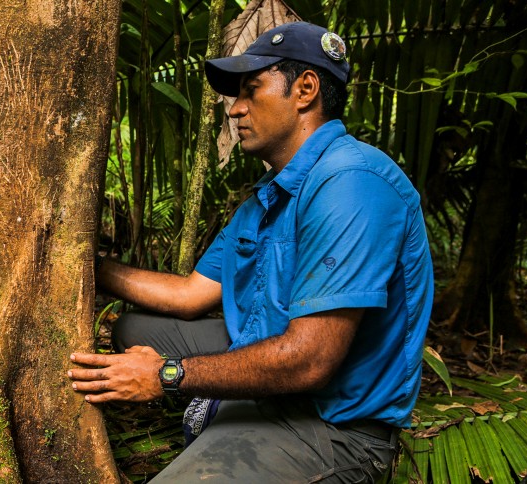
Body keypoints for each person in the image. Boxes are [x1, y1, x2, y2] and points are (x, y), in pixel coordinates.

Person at [68, 21, 434, 483]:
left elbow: (310, 360)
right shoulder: (269, 196)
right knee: (136, 328)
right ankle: (229, 406)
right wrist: (85, 264)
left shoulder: (352, 183)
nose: (235, 110)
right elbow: (189, 295)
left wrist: (167, 375)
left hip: (330, 425)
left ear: (305, 89)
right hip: (275, 373)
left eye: (251, 90)